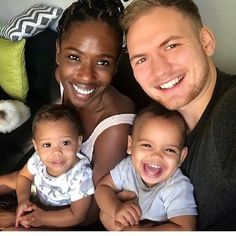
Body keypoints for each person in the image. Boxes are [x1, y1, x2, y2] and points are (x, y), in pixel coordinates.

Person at [0, 0, 136, 230]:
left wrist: (19, 218)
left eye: (102, 62)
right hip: (39, 179)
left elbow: (91, 211)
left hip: (62, 213)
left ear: (115, 66)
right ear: (58, 52)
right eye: (74, 57)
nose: (85, 76)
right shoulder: (62, 77)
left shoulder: (116, 126)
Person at [120, 0, 236, 230]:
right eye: (142, 59)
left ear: (206, 42)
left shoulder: (230, 113)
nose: (160, 71)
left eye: (171, 45)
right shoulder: (153, 120)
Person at [96, 103, 197, 231]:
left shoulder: (177, 187)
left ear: (181, 157)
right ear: (130, 145)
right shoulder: (128, 167)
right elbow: (103, 187)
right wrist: (115, 208)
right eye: (147, 145)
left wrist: (139, 231)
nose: (157, 156)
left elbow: (186, 229)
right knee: (105, 214)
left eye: (169, 150)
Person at [15, 104, 94, 229]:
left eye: (65, 143)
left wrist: (43, 218)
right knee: (10, 179)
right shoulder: (38, 158)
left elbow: (77, 215)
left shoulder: (81, 175)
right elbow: (24, 176)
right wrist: (23, 200)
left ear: (78, 143)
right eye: (47, 145)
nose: (56, 152)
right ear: (36, 146)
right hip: (38, 196)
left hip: (60, 218)